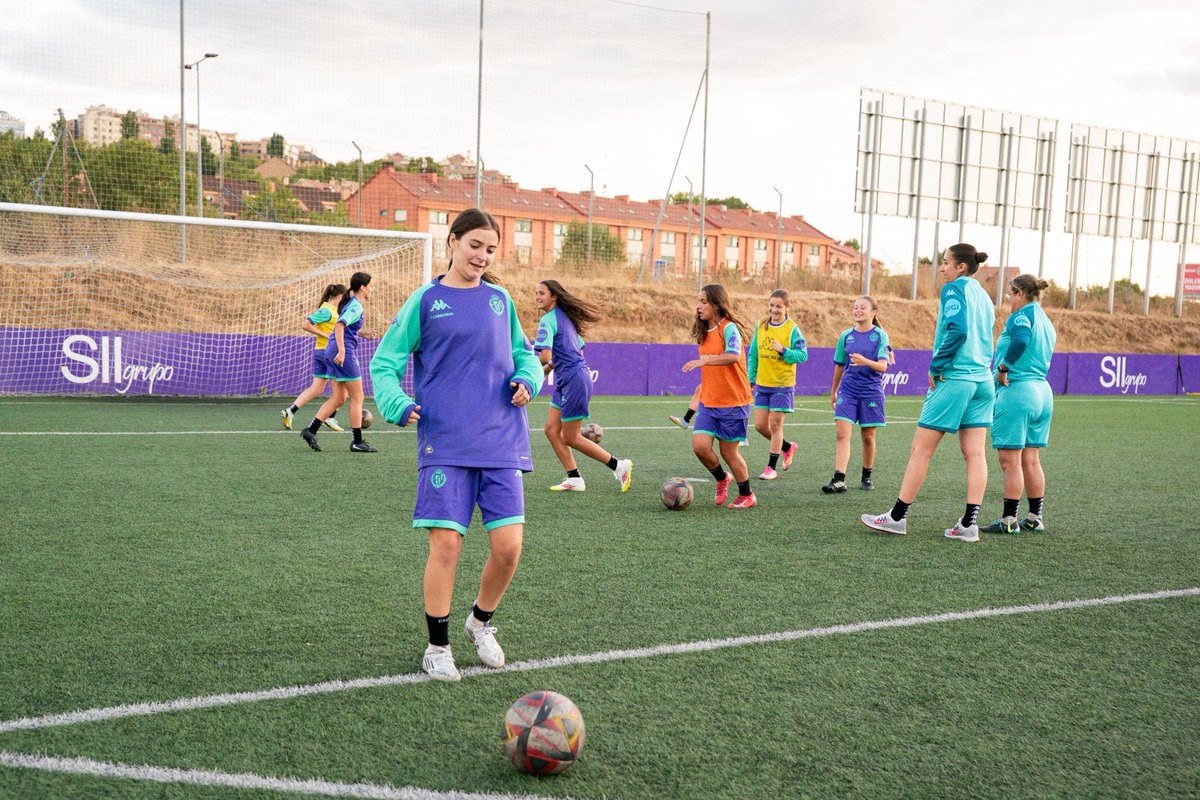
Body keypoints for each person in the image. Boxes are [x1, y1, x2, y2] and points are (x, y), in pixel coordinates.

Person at [369, 208, 544, 682]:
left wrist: (528, 379)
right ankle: (437, 646)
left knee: (508, 548)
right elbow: (384, 362)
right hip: (445, 442)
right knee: (446, 544)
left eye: (491, 249)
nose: (483, 256)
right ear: (452, 242)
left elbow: (526, 355)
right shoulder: (425, 301)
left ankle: (479, 622)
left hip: (502, 441)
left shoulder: (501, 300)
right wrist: (396, 403)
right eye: (475, 246)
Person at [861, 243, 995, 541]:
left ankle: (896, 517)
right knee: (975, 453)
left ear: (961, 267)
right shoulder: (984, 295)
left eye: (946, 263)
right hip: (982, 380)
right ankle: (969, 524)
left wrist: (937, 365)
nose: (942, 268)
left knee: (920, 450)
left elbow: (958, 330)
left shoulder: (953, 289)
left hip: (955, 378)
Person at [534, 279, 632, 493]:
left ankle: (619, 466)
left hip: (574, 380)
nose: (537, 297)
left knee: (571, 437)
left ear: (554, 296)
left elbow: (544, 355)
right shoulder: (565, 317)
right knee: (551, 430)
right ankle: (574, 478)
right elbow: (576, 350)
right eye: (536, 293)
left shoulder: (547, 320)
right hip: (569, 378)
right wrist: (551, 367)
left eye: (542, 293)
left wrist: (527, 362)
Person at [979, 274, 1056, 535]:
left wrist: (1003, 368)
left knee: (1010, 461)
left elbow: (1021, 340)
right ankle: (1035, 517)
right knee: (1031, 460)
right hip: (1043, 393)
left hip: (1018, 391)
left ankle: (1008, 521)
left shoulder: (1021, 316)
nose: (1009, 300)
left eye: (1010, 294)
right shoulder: (1046, 320)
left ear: (1020, 294)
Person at [681, 284, 756, 509]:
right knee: (700, 446)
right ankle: (722, 478)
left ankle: (747, 495)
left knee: (728, 452)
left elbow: (732, 356)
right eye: (698, 301)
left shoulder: (729, 328)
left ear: (717, 304)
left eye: (703, 302)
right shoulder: (703, 332)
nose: (699, 306)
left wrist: (703, 361)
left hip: (734, 401)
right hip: (710, 401)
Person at [299, 272, 376, 453]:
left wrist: (361, 333)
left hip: (331, 350)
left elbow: (344, 327)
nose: (372, 289)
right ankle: (357, 441)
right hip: (342, 352)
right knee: (358, 398)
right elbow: (340, 325)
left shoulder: (349, 303)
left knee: (339, 398)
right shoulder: (356, 305)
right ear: (363, 288)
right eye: (371, 286)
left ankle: (310, 431)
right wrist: (342, 350)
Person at [824, 296, 890, 493]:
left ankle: (866, 475)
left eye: (862, 307)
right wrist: (833, 391)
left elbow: (883, 366)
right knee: (841, 433)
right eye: (855, 307)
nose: (857, 310)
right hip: (848, 390)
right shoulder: (845, 336)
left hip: (871, 391)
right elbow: (839, 366)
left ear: (873, 312)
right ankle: (839, 479)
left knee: (868, 437)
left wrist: (865, 361)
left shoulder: (880, 336)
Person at [746, 289, 806, 480]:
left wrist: (784, 351)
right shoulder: (762, 325)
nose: (774, 309)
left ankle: (771, 468)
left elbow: (802, 355)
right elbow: (754, 353)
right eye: (771, 305)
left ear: (787, 307)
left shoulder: (793, 329)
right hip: (763, 383)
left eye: (779, 306)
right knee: (760, 426)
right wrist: (751, 378)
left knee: (775, 425)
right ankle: (787, 447)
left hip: (782, 384)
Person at [281, 283, 347, 433]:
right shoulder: (327, 310)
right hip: (328, 353)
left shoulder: (333, 311)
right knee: (343, 391)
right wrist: (326, 335)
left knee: (317, 388)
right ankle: (329, 417)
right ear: (340, 297)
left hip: (320, 352)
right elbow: (306, 325)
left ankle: (290, 411)